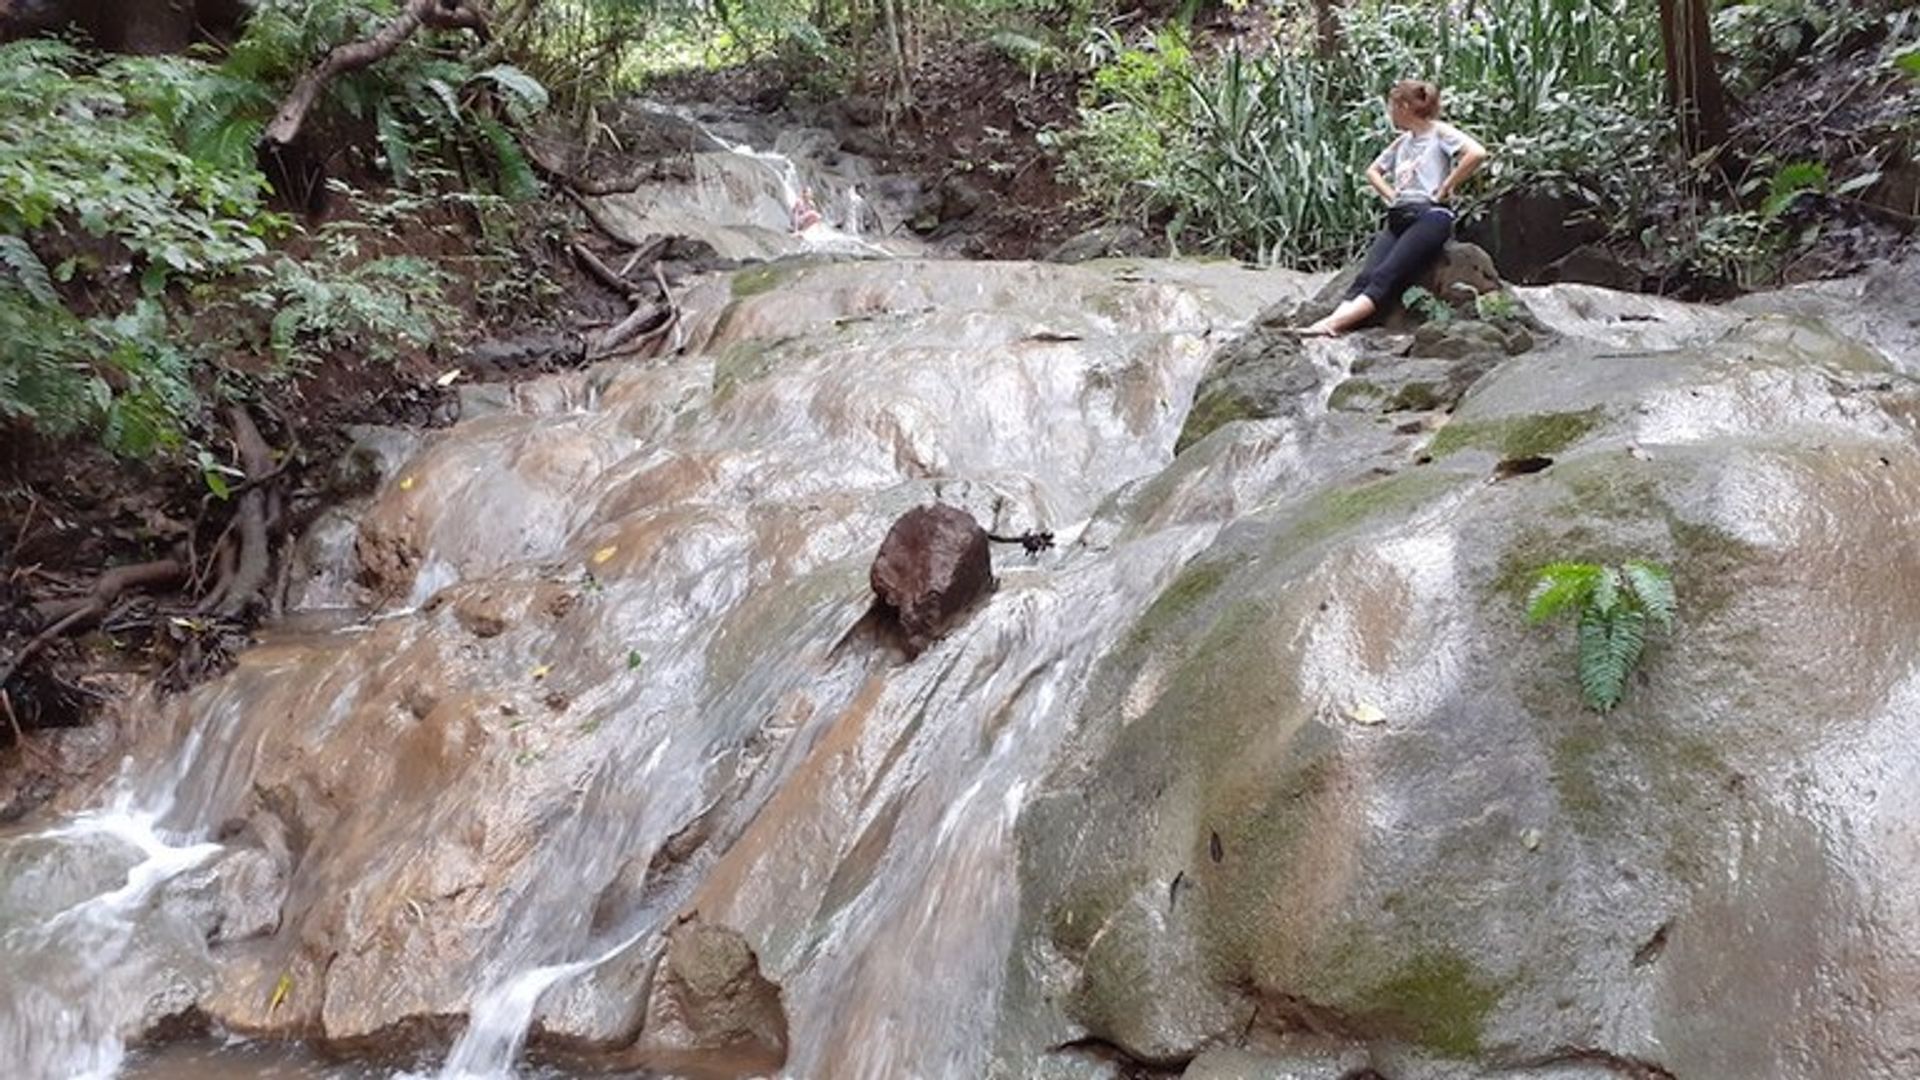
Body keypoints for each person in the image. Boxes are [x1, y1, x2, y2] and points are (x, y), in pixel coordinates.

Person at [1304, 80, 1488, 337]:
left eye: (1392, 106)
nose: (1389, 112)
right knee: (1365, 276)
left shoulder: (1438, 132)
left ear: (1403, 106)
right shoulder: (1403, 142)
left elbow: (1476, 153)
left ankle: (1333, 326)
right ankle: (1331, 321)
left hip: (1430, 215)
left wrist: (1447, 186)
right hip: (1399, 216)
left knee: (1385, 275)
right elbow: (1373, 171)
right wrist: (1392, 195)